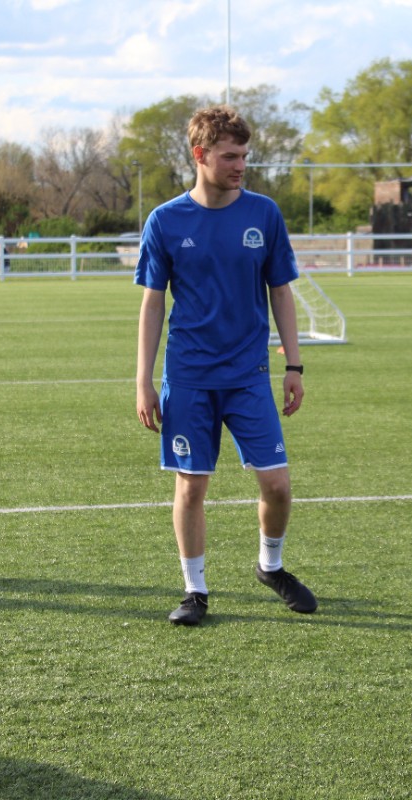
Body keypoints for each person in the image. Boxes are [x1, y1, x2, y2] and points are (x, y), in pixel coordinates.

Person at [134, 104, 317, 625]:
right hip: (189, 376)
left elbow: (280, 291)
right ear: (200, 155)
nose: (241, 166)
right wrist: (144, 381)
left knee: (277, 483)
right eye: (230, 156)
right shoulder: (166, 221)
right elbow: (152, 304)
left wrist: (294, 366)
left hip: (248, 375)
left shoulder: (264, 214)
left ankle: (271, 566)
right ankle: (195, 591)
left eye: (244, 156)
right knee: (191, 484)